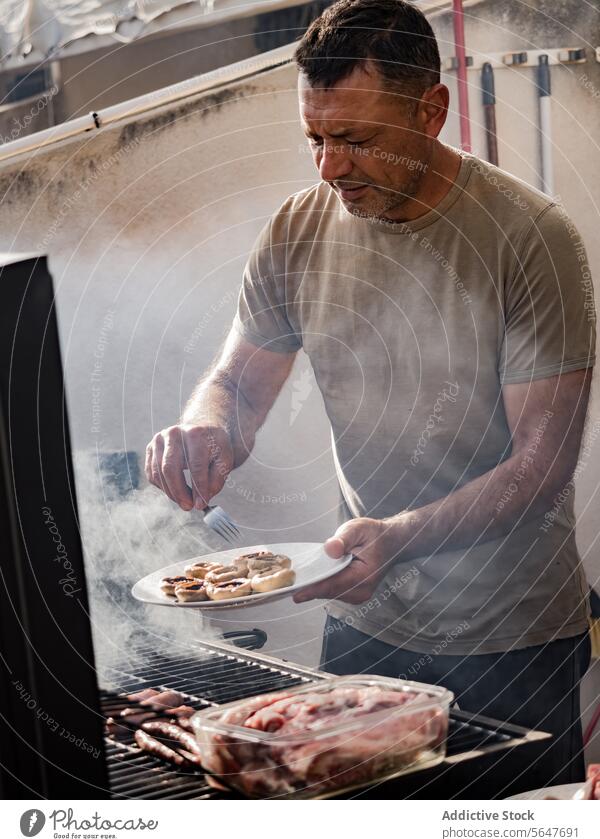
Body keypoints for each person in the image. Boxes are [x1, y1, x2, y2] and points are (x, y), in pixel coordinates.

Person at [146, 0, 595, 791]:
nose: (330, 167)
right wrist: (205, 429)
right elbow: (236, 390)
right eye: (315, 139)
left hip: (512, 636)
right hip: (364, 625)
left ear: (432, 110)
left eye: (356, 139)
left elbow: (543, 463)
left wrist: (400, 536)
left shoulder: (531, 237)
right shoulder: (297, 231)